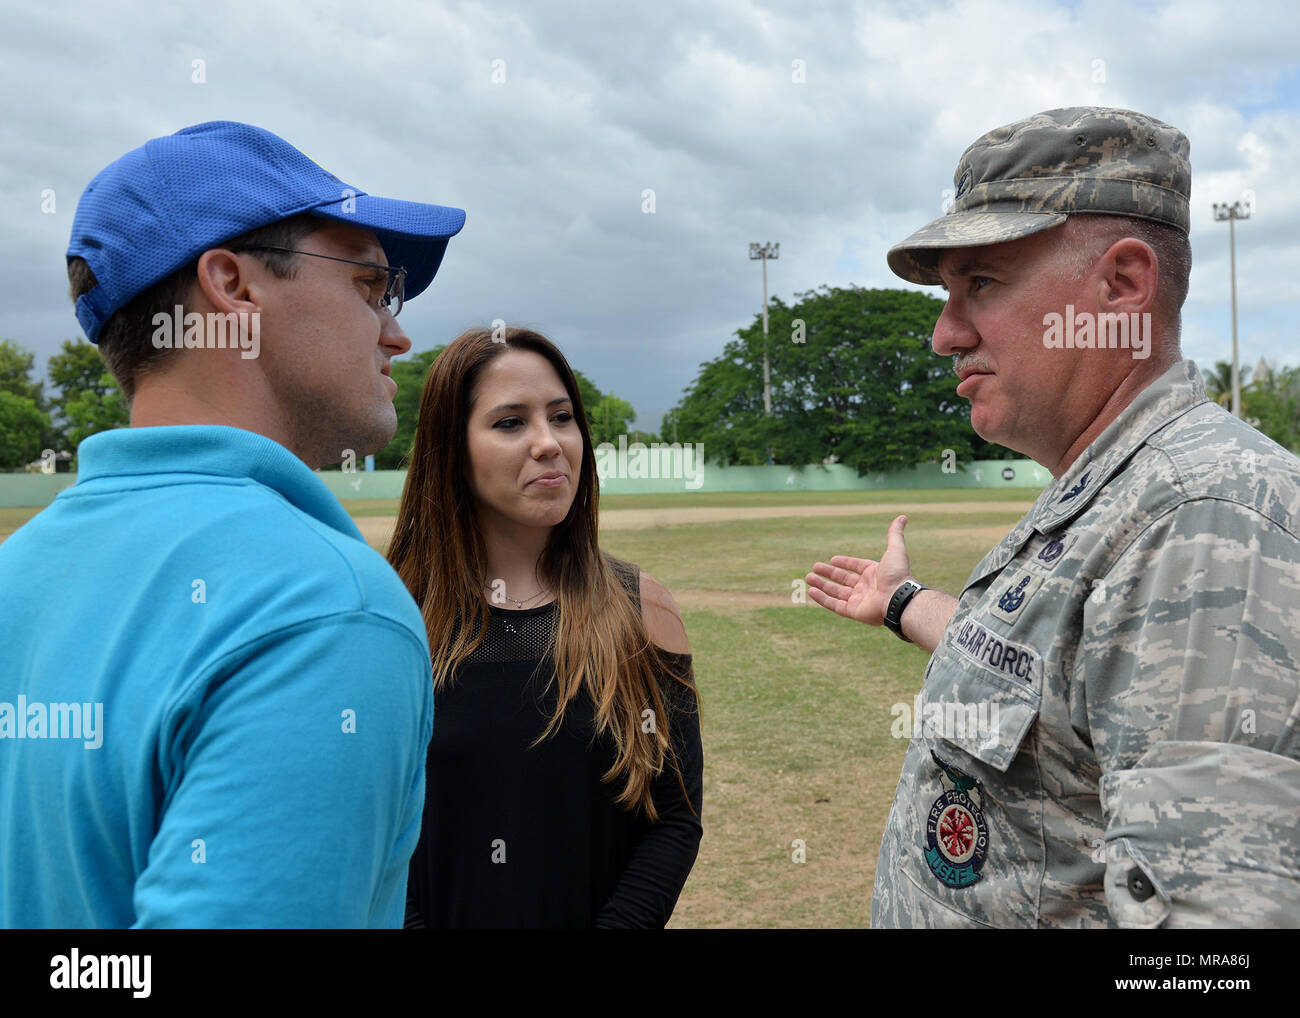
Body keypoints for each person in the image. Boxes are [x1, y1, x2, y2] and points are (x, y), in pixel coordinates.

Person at [806, 107, 1300, 928]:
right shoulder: (1119, 490)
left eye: (983, 284)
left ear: (1123, 285)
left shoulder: (1203, 522)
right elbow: (1044, 669)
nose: (942, 334)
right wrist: (900, 601)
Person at [0, 121, 465, 927]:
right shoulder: (322, 608)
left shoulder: (19, 570)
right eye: (370, 286)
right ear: (233, 285)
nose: (397, 330)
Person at [388, 326, 703, 928]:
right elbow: (365, 829)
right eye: (510, 423)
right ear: (450, 449)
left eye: (562, 417)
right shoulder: (393, 617)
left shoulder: (642, 609)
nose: (549, 443)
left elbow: (673, 818)